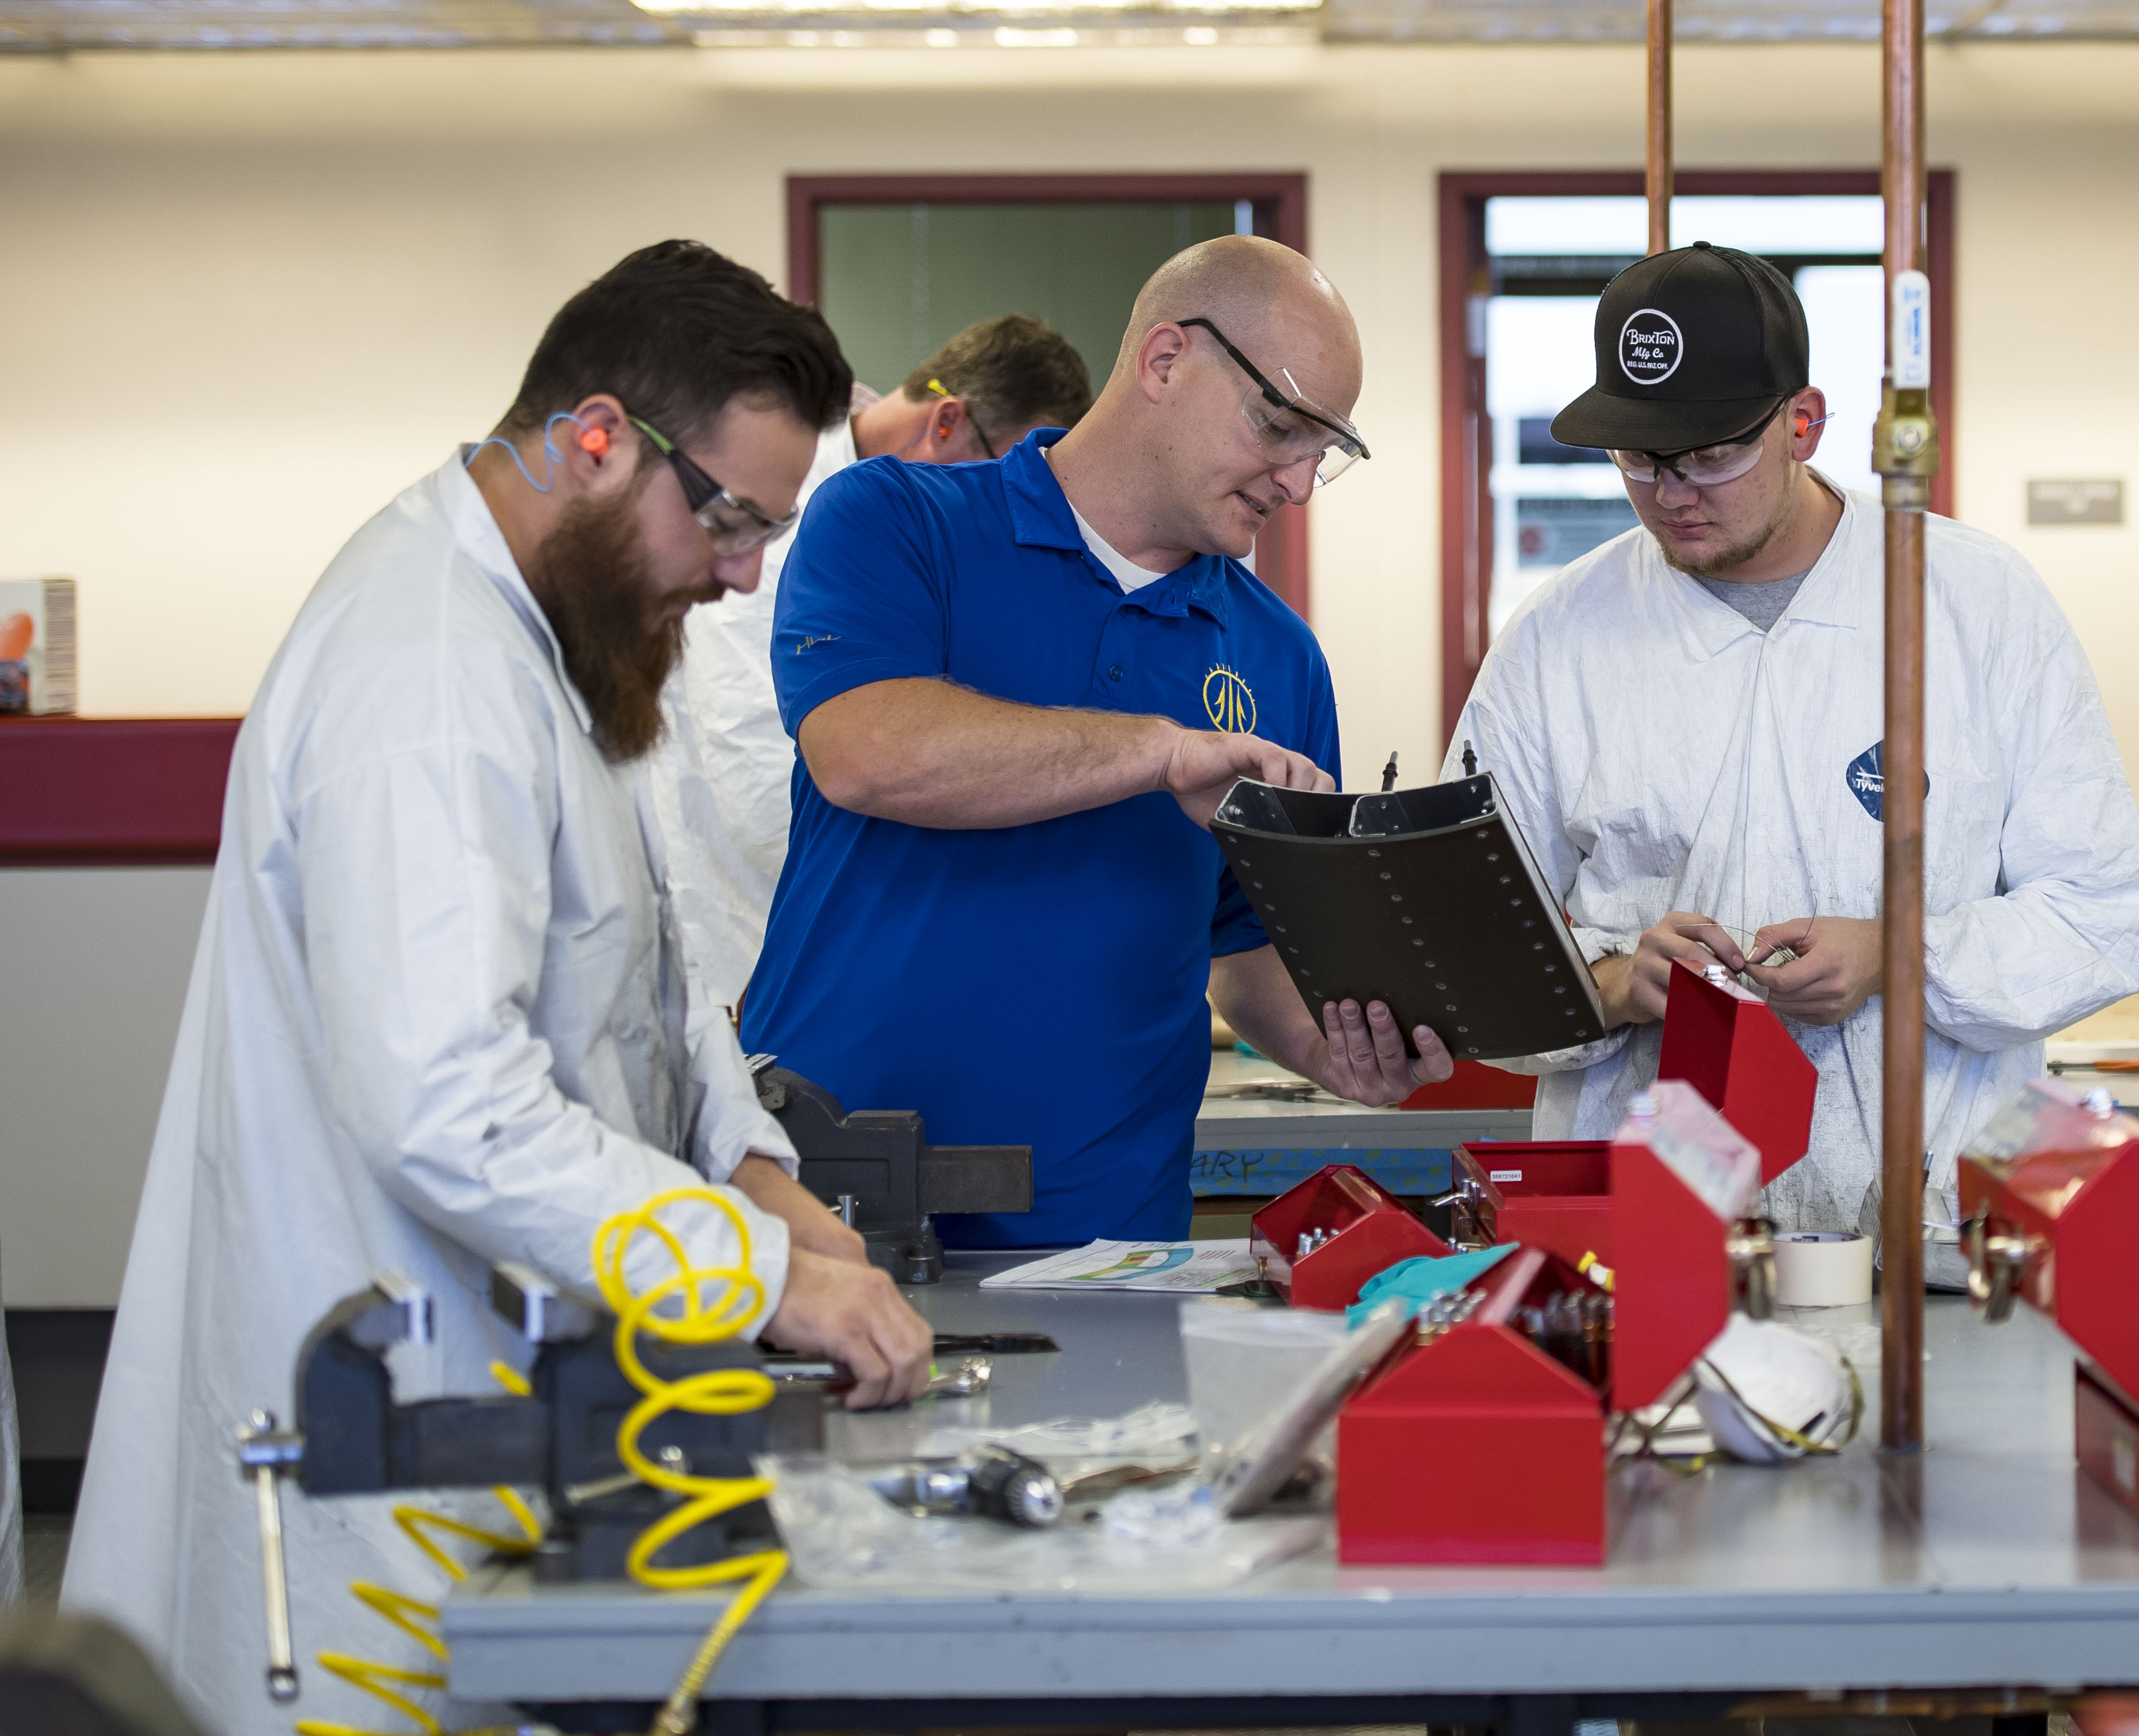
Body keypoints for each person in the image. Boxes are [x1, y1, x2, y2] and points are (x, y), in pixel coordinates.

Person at [61, 241, 933, 1736]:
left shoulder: (555, 637)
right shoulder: (428, 671)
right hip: (381, 1410)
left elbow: (641, 960)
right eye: (726, 519)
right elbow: (447, 1104)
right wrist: (764, 1275)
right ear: (594, 437)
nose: (738, 578)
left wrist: (749, 1167)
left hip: (506, 1375)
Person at [741, 234, 1451, 1247]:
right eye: (1280, 425)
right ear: (1167, 361)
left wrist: (1341, 1049)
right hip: (829, 1204)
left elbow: (1247, 950)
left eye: (1323, 450)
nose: (1297, 483)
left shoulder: (1278, 659)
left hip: (1101, 1239)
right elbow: (866, 751)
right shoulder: (896, 519)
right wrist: (1160, 752)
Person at [1455, 242, 2139, 1237]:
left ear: (1804, 423)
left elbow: (2101, 916)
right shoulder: (1558, 636)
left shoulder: (1969, 604)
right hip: (1654, 1230)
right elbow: (1469, 945)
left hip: (1935, 1224)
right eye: (1637, 461)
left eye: (1709, 455)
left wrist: (1902, 956)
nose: (1671, 493)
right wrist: (1610, 982)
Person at [651, 313, 1093, 1009]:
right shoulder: (785, 507)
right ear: (946, 421)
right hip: (743, 927)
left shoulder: (919, 524)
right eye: (1001, 468)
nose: (1002, 503)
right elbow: (751, 765)